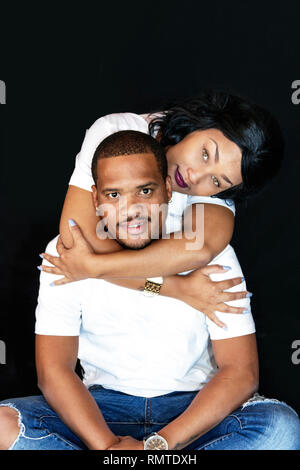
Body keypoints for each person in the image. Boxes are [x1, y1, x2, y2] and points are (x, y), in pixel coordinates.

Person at [0, 130, 299, 451]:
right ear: (95, 198)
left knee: (280, 428)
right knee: (3, 424)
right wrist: (109, 448)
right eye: (114, 195)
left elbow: (241, 372)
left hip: (192, 412)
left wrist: (157, 446)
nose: (131, 210)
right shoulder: (69, 253)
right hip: (101, 410)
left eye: (144, 190)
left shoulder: (209, 251)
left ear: (168, 190)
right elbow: (53, 370)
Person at [38, 91, 284, 332]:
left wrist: (92, 268)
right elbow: (76, 237)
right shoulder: (116, 132)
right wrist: (177, 288)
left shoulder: (221, 183)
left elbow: (198, 249)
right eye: (205, 153)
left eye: (218, 181)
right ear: (200, 122)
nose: (195, 176)